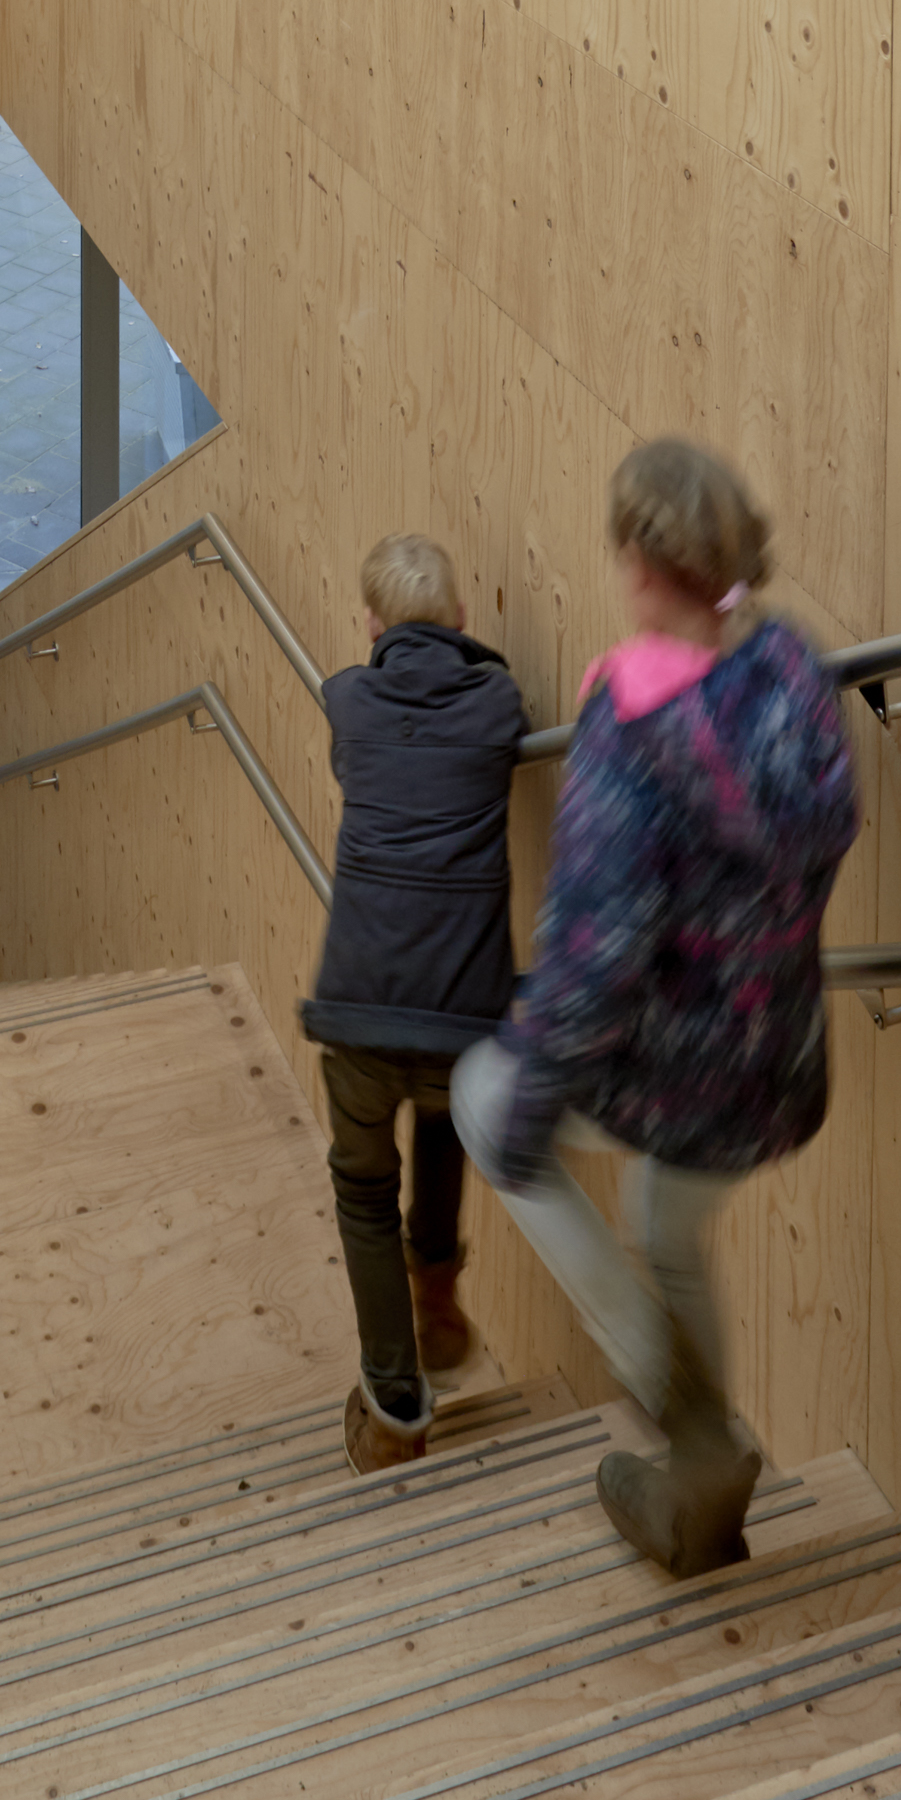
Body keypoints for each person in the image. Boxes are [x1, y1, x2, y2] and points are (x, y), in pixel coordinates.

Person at [456, 438, 857, 1580]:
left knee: (482, 1097)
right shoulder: (789, 666)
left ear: (637, 560)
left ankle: (692, 1427)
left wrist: (528, 1101)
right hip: (778, 1059)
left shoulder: (627, 739)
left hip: (675, 1073)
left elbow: (592, 960)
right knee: (667, 1226)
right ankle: (702, 1486)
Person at [301, 532, 528, 1472]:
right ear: (462, 617)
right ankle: (437, 1300)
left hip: (358, 1004)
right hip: (462, 1007)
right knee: (443, 1117)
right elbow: (494, 699)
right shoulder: (501, 700)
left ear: (372, 624)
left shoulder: (347, 699)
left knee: (363, 1191)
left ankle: (396, 1404)